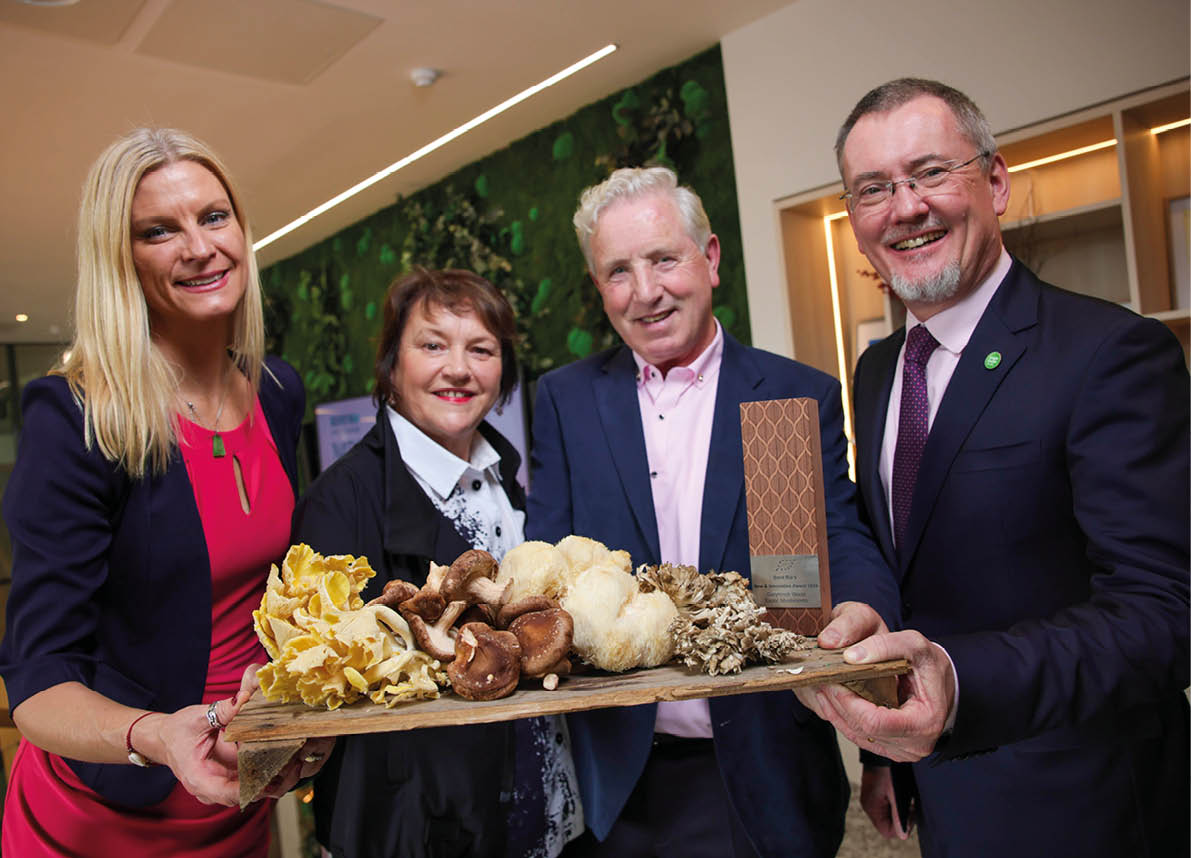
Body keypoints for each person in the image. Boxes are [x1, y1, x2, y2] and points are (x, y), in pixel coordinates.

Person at [795, 78, 1190, 857]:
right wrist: (883, 757)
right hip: (939, 789)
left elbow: (1164, 611)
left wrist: (957, 680)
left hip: (1084, 801)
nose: (904, 207)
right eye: (873, 189)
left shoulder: (1110, 354)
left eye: (929, 173)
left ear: (996, 182)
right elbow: (903, 569)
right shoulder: (876, 371)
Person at [526, 166, 901, 858]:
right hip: (624, 778)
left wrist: (866, 612)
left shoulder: (794, 393)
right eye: (618, 271)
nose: (645, 291)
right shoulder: (564, 402)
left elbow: (840, 535)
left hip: (770, 762)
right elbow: (545, 570)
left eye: (663, 259)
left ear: (710, 258)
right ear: (597, 285)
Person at [0, 128, 331, 856]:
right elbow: (38, 683)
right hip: (106, 811)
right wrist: (156, 735)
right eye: (159, 231)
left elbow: (275, 598)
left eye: (214, 217)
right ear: (120, 259)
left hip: (239, 793)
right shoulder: (76, 418)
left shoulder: (276, 390)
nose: (199, 247)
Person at [292, 267, 583, 858]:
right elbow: (323, 696)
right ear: (391, 364)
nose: (458, 369)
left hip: (547, 807)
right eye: (432, 346)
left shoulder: (506, 477)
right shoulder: (341, 502)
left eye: (481, 349)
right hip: (426, 830)